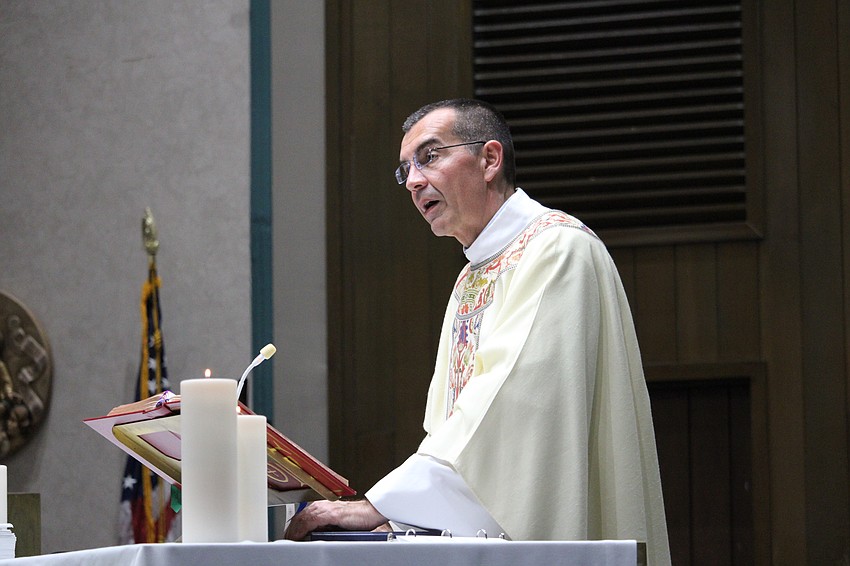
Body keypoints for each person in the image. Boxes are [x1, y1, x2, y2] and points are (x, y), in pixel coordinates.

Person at [285, 98, 671, 565]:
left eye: (429, 157)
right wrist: (405, 513)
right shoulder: (474, 275)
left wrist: (381, 505)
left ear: (489, 159)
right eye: (404, 169)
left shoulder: (557, 249)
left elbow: (512, 406)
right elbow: (452, 428)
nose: (412, 181)